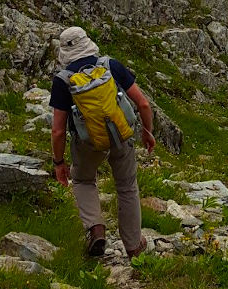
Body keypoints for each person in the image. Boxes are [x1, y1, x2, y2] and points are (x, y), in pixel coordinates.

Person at [50, 26, 156, 258]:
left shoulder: (63, 80)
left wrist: (59, 163)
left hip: (87, 142)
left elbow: (58, 131)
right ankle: (133, 246)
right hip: (121, 136)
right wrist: (147, 132)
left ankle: (96, 230)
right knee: (127, 186)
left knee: (83, 180)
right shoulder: (110, 66)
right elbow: (144, 104)